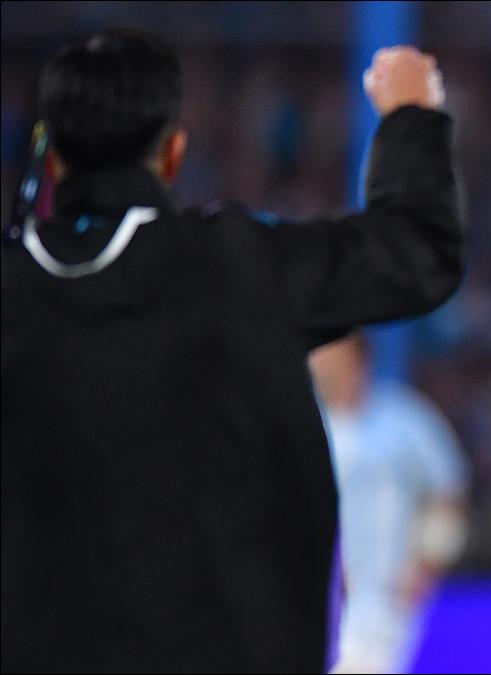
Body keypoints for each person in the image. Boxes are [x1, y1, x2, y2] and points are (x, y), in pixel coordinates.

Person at [1, 30, 463, 672]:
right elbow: (415, 255)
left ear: (50, 160)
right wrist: (410, 115)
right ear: (173, 152)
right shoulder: (236, 266)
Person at [308, 333, 468, 674]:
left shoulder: (405, 419)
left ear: (359, 359)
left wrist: (428, 563)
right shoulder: (306, 423)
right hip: (320, 595)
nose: (323, 364)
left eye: (333, 354)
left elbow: (448, 494)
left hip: (388, 599)